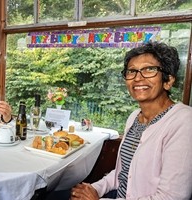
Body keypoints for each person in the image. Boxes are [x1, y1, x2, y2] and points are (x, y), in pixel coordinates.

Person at [70, 42, 192, 200]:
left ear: (168, 80)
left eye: (149, 69)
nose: (138, 78)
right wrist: (93, 189)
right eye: (132, 71)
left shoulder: (184, 121)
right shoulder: (134, 117)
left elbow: (172, 196)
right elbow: (123, 173)